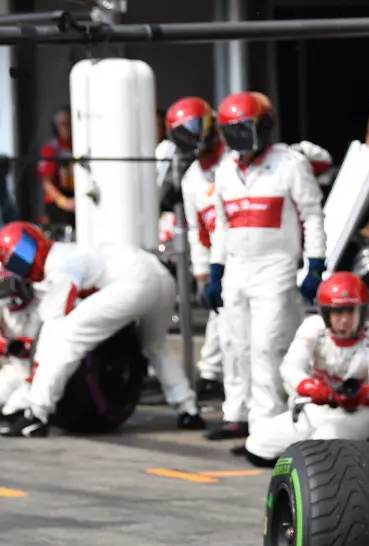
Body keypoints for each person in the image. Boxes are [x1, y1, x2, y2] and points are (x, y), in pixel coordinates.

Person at [0, 222, 203, 437]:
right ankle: (188, 409)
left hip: (134, 281)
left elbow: (53, 330)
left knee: (66, 337)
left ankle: (37, 415)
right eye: (17, 261)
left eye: (24, 253)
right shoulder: (68, 252)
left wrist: (35, 382)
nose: (26, 262)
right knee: (155, 346)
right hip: (158, 274)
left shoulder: (58, 266)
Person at [205, 91, 327, 441]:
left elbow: (312, 215)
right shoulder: (225, 169)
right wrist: (216, 271)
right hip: (237, 269)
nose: (238, 139)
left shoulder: (290, 163)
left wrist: (315, 265)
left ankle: (267, 429)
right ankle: (238, 416)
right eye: (231, 131)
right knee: (235, 344)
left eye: (243, 130)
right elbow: (222, 227)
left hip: (275, 268)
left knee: (267, 346)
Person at [243, 272, 369, 465]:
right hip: (317, 406)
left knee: (318, 453)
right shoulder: (313, 327)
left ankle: (362, 443)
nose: (345, 320)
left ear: (363, 312)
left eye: (351, 312)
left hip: (355, 412)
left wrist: (363, 395)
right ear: (325, 313)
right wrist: (310, 388)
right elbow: (290, 367)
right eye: (338, 313)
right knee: (257, 446)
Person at [165, 96, 228, 397]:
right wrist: (202, 274)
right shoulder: (191, 179)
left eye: (193, 128)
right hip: (219, 257)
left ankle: (212, 372)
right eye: (183, 133)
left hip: (254, 252)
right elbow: (196, 231)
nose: (191, 138)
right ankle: (212, 374)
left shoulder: (237, 159)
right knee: (222, 314)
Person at [0, 272, 39, 418]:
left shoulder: (43, 306)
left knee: (14, 407)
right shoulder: (4, 308)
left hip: (39, 371)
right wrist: (5, 345)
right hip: (16, 368)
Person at [38, 107, 75, 234]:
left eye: (69, 124)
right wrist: (63, 202)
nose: (66, 128)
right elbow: (47, 183)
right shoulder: (52, 149)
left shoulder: (79, 146)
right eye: (62, 124)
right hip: (58, 202)